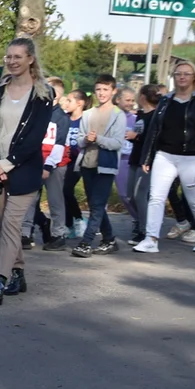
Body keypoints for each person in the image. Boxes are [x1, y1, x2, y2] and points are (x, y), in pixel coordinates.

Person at [0, 38, 54, 304]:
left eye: (17, 57)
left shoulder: (43, 94)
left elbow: (35, 137)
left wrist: (7, 163)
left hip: (24, 170)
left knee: (11, 224)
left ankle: (0, 279)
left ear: (30, 59)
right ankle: (19, 273)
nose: (11, 61)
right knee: (5, 224)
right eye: (8, 57)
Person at [134, 60, 195, 254]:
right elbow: (154, 130)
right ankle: (150, 239)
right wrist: (147, 157)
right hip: (165, 156)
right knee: (156, 197)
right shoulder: (165, 101)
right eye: (178, 73)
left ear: (194, 77)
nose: (182, 77)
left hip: (192, 157)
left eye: (187, 74)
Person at [71, 74, 127, 258]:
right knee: (97, 205)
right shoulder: (88, 114)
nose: (101, 93)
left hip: (106, 166)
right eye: (98, 89)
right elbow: (78, 140)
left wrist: (98, 139)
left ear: (113, 91)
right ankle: (109, 238)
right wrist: (86, 139)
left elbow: (117, 143)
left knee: (97, 205)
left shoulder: (118, 115)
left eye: (105, 90)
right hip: (87, 164)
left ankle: (86, 242)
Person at [33, 77, 73, 251]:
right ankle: (25, 233)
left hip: (54, 164)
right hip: (35, 161)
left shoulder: (61, 118)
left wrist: (48, 166)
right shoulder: (38, 113)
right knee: (31, 199)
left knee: (55, 200)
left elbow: (59, 144)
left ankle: (58, 234)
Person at [128, 85, 162, 245]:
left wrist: (137, 137)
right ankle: (142, 224)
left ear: (142, 96)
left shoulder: (156, 116)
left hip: (146, 161)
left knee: (140, 195)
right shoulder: (141, 114)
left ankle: (146, 231)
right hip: (135, 158)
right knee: (130, 195)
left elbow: (153, 139)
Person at [114, 85, 140, 239]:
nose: (130, 103)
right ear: (118, 100)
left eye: (132, 100)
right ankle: (98, 224)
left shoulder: (135, 119)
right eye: (127, 100)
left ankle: (138, 219)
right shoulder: (112, 116)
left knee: (126, 195)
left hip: (126, 160)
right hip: (111, 158)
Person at [61, 90, 89, 237]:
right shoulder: (64, 118)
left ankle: (78, 219)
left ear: (80, 103)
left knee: (66, 189)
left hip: (78, 161)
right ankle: (68, 224)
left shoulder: (86, 119)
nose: (66, 104)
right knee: (63, 191)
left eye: (69, 100)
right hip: (63, 160)